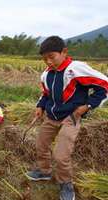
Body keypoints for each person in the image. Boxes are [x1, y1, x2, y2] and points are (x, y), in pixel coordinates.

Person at [25, 36, 108, 200]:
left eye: (52, 57)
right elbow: (46, 94)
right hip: (51, 117)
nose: (48, 61)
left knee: (61, 155)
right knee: (41, 144)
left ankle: (66, 184)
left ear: (64, 52)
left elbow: (104, 85)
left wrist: (87, 106)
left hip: (71, 118)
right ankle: (44, 171)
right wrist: (40, 106)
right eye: (44, 58)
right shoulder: (46, 74)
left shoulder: (75, 69)